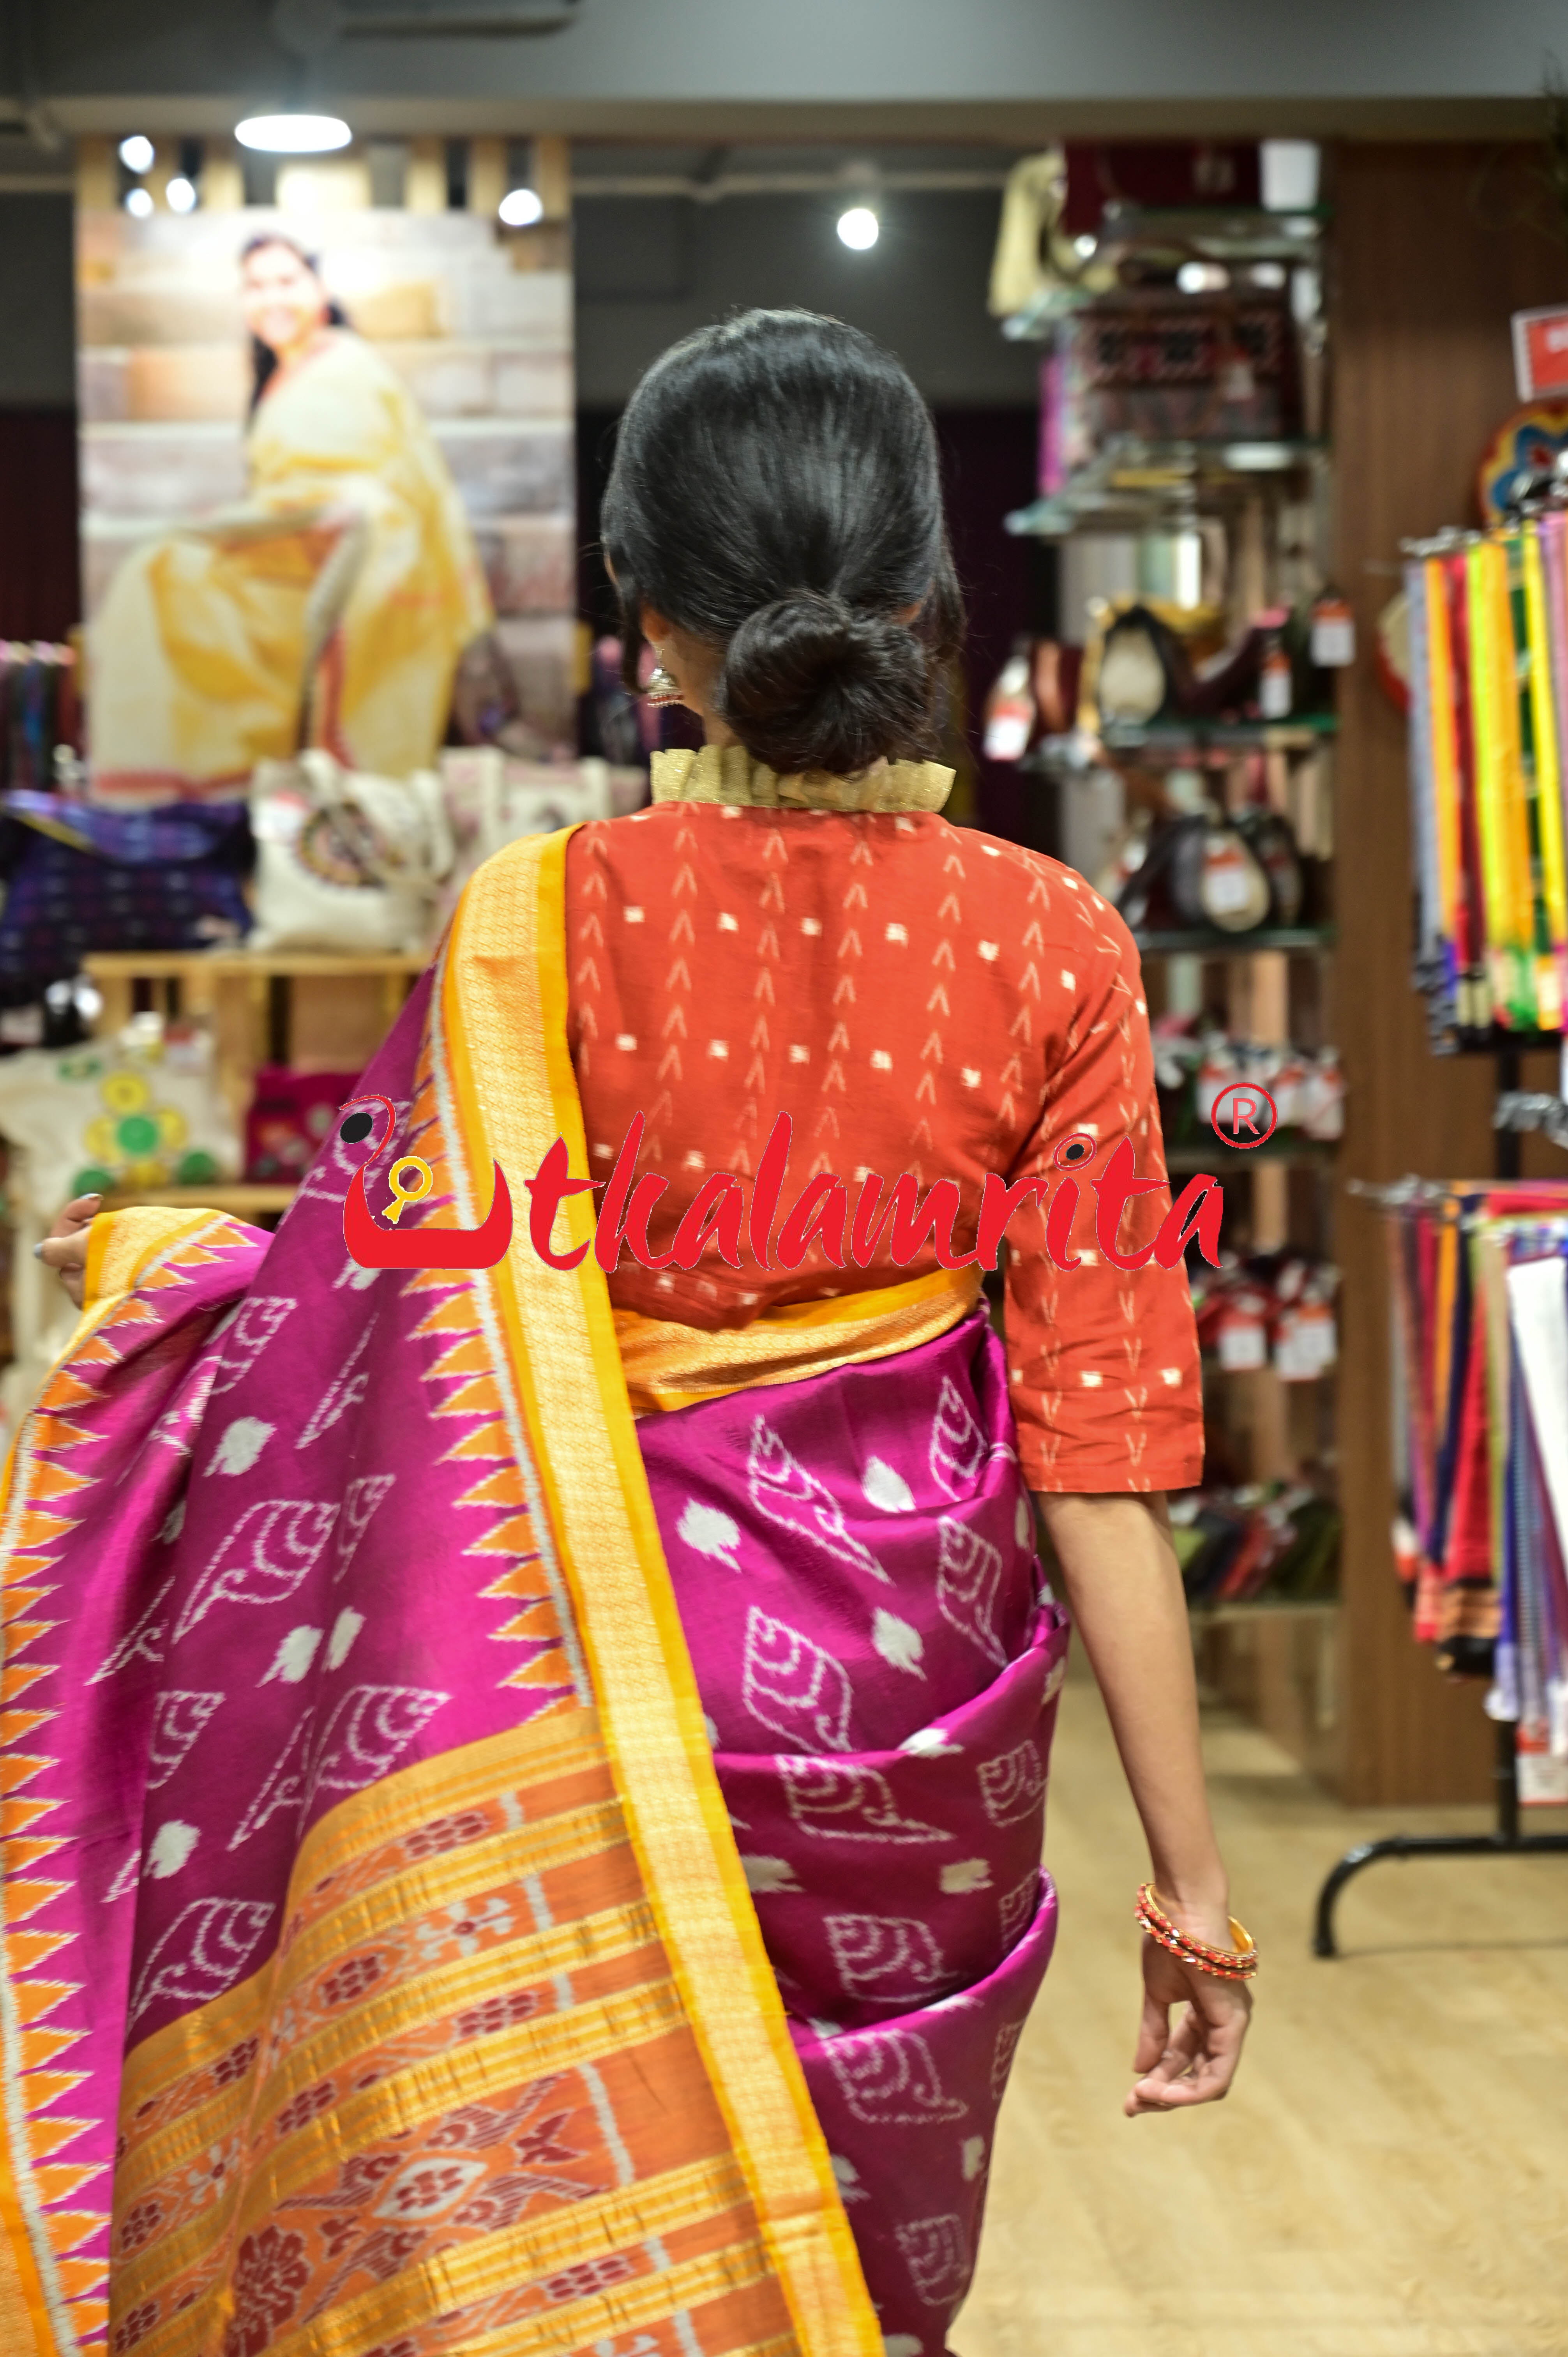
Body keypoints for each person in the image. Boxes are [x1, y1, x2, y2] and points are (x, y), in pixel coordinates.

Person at [21, 311, 1249, 2357]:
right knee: (862, 2282)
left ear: (648, 633)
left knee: (572, 2266)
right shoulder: (1055, 941)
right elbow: (1099, 1449)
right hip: (921, 1722)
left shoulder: (538, 918)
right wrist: (1190, 1895)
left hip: (575, 1690)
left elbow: (370, 1356)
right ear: (929, 611)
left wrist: (170, 1296)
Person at [89, 232, 492, 800]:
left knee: (167, 574)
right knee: (160, 575)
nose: (271, 297)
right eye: (256, 286)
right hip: (299, 551)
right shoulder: (284, 376)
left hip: (351, 563)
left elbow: (372, 484)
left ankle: (214, 785)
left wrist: (266, 522)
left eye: (286, 281)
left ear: (319, 290)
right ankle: (201, 791)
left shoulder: (345, 363)